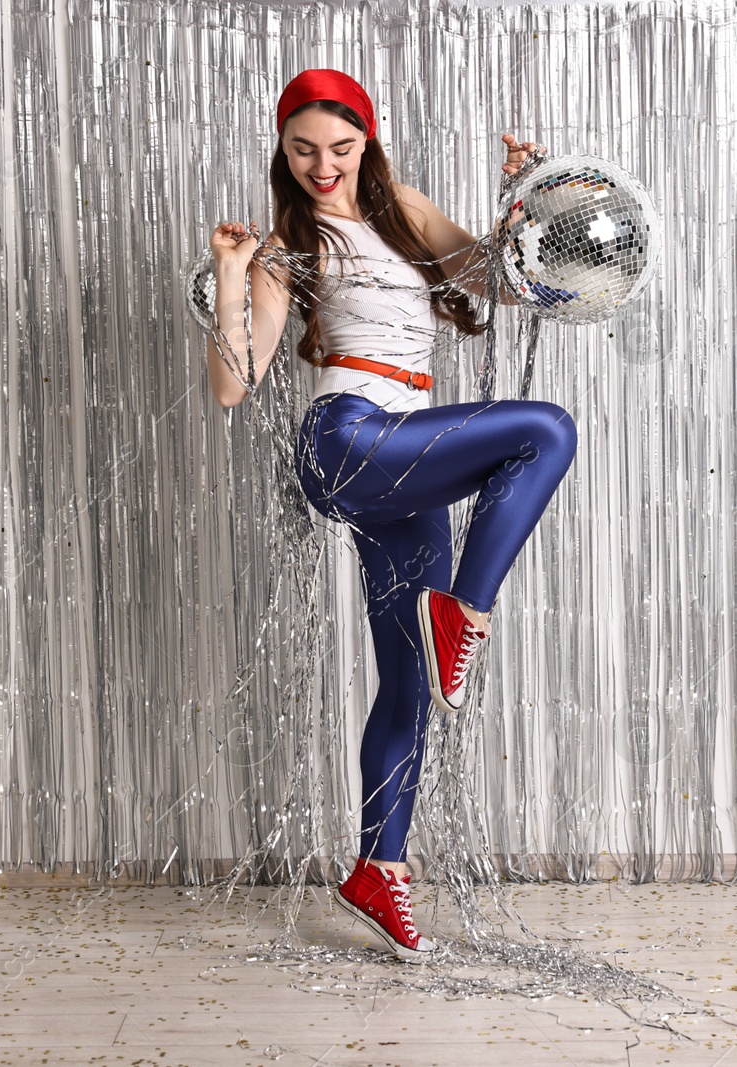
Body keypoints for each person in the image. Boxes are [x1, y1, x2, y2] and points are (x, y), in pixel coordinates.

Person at [205, 69, 577, 961]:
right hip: (346, 438)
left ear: (366, 140)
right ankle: (466, 609)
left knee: (410, 679)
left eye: (339, 147)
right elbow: (230, 384)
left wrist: (524, 199)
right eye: (301, 150)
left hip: (407, 452)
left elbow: (498, 281)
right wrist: (228, 275)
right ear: (282, 151)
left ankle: (379, 866)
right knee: (546, 430)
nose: (321, 166)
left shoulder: (401, 209)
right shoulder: (284, 248)